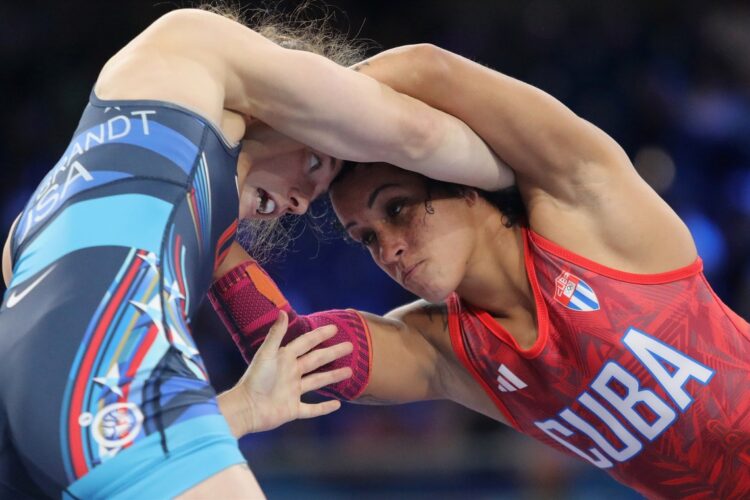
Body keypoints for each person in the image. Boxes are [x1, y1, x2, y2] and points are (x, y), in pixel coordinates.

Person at [0, 7, 515, 498]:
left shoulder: (50, 222)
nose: (298, 202)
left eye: (310, 198)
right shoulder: (191, 47)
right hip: (115, 393)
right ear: (287, 101)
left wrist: (243, 409)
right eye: (316, 160)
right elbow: (419, 134)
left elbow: (83, 409)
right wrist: (524, 182)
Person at [209, 44, 750, 498]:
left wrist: (286, 125)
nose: (389, 249)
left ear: (462, 182)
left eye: (396, 208)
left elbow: (429, 70)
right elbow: (290, 351)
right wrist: (203, 210)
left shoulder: (587, 209)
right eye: (367, 238)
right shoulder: (446, 349)